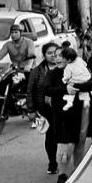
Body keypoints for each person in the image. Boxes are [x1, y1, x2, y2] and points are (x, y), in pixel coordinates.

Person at [45, 50, 92, 183]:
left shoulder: (81, 67)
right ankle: (62, 174)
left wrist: (75, 87)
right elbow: (47, 89)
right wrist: (65, 89)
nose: (57, 59)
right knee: (66, 145)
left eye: (61, 56)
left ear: (69, 59)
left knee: (80, 143)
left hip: (83, 112)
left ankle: (78, 173)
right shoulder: (52, 74)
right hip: (63, 114)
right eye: (55, 56)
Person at [27, 42, 60, 174]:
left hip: (63, 108)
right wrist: (31, 110)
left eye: (55, 53)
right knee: (51, 136)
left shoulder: (66, 68)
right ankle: (52, 163)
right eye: (49, 53)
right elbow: (30, 91)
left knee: (64, 137)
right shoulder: (37, 71)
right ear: (44, 55)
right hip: (45, 109)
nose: (53, 56)